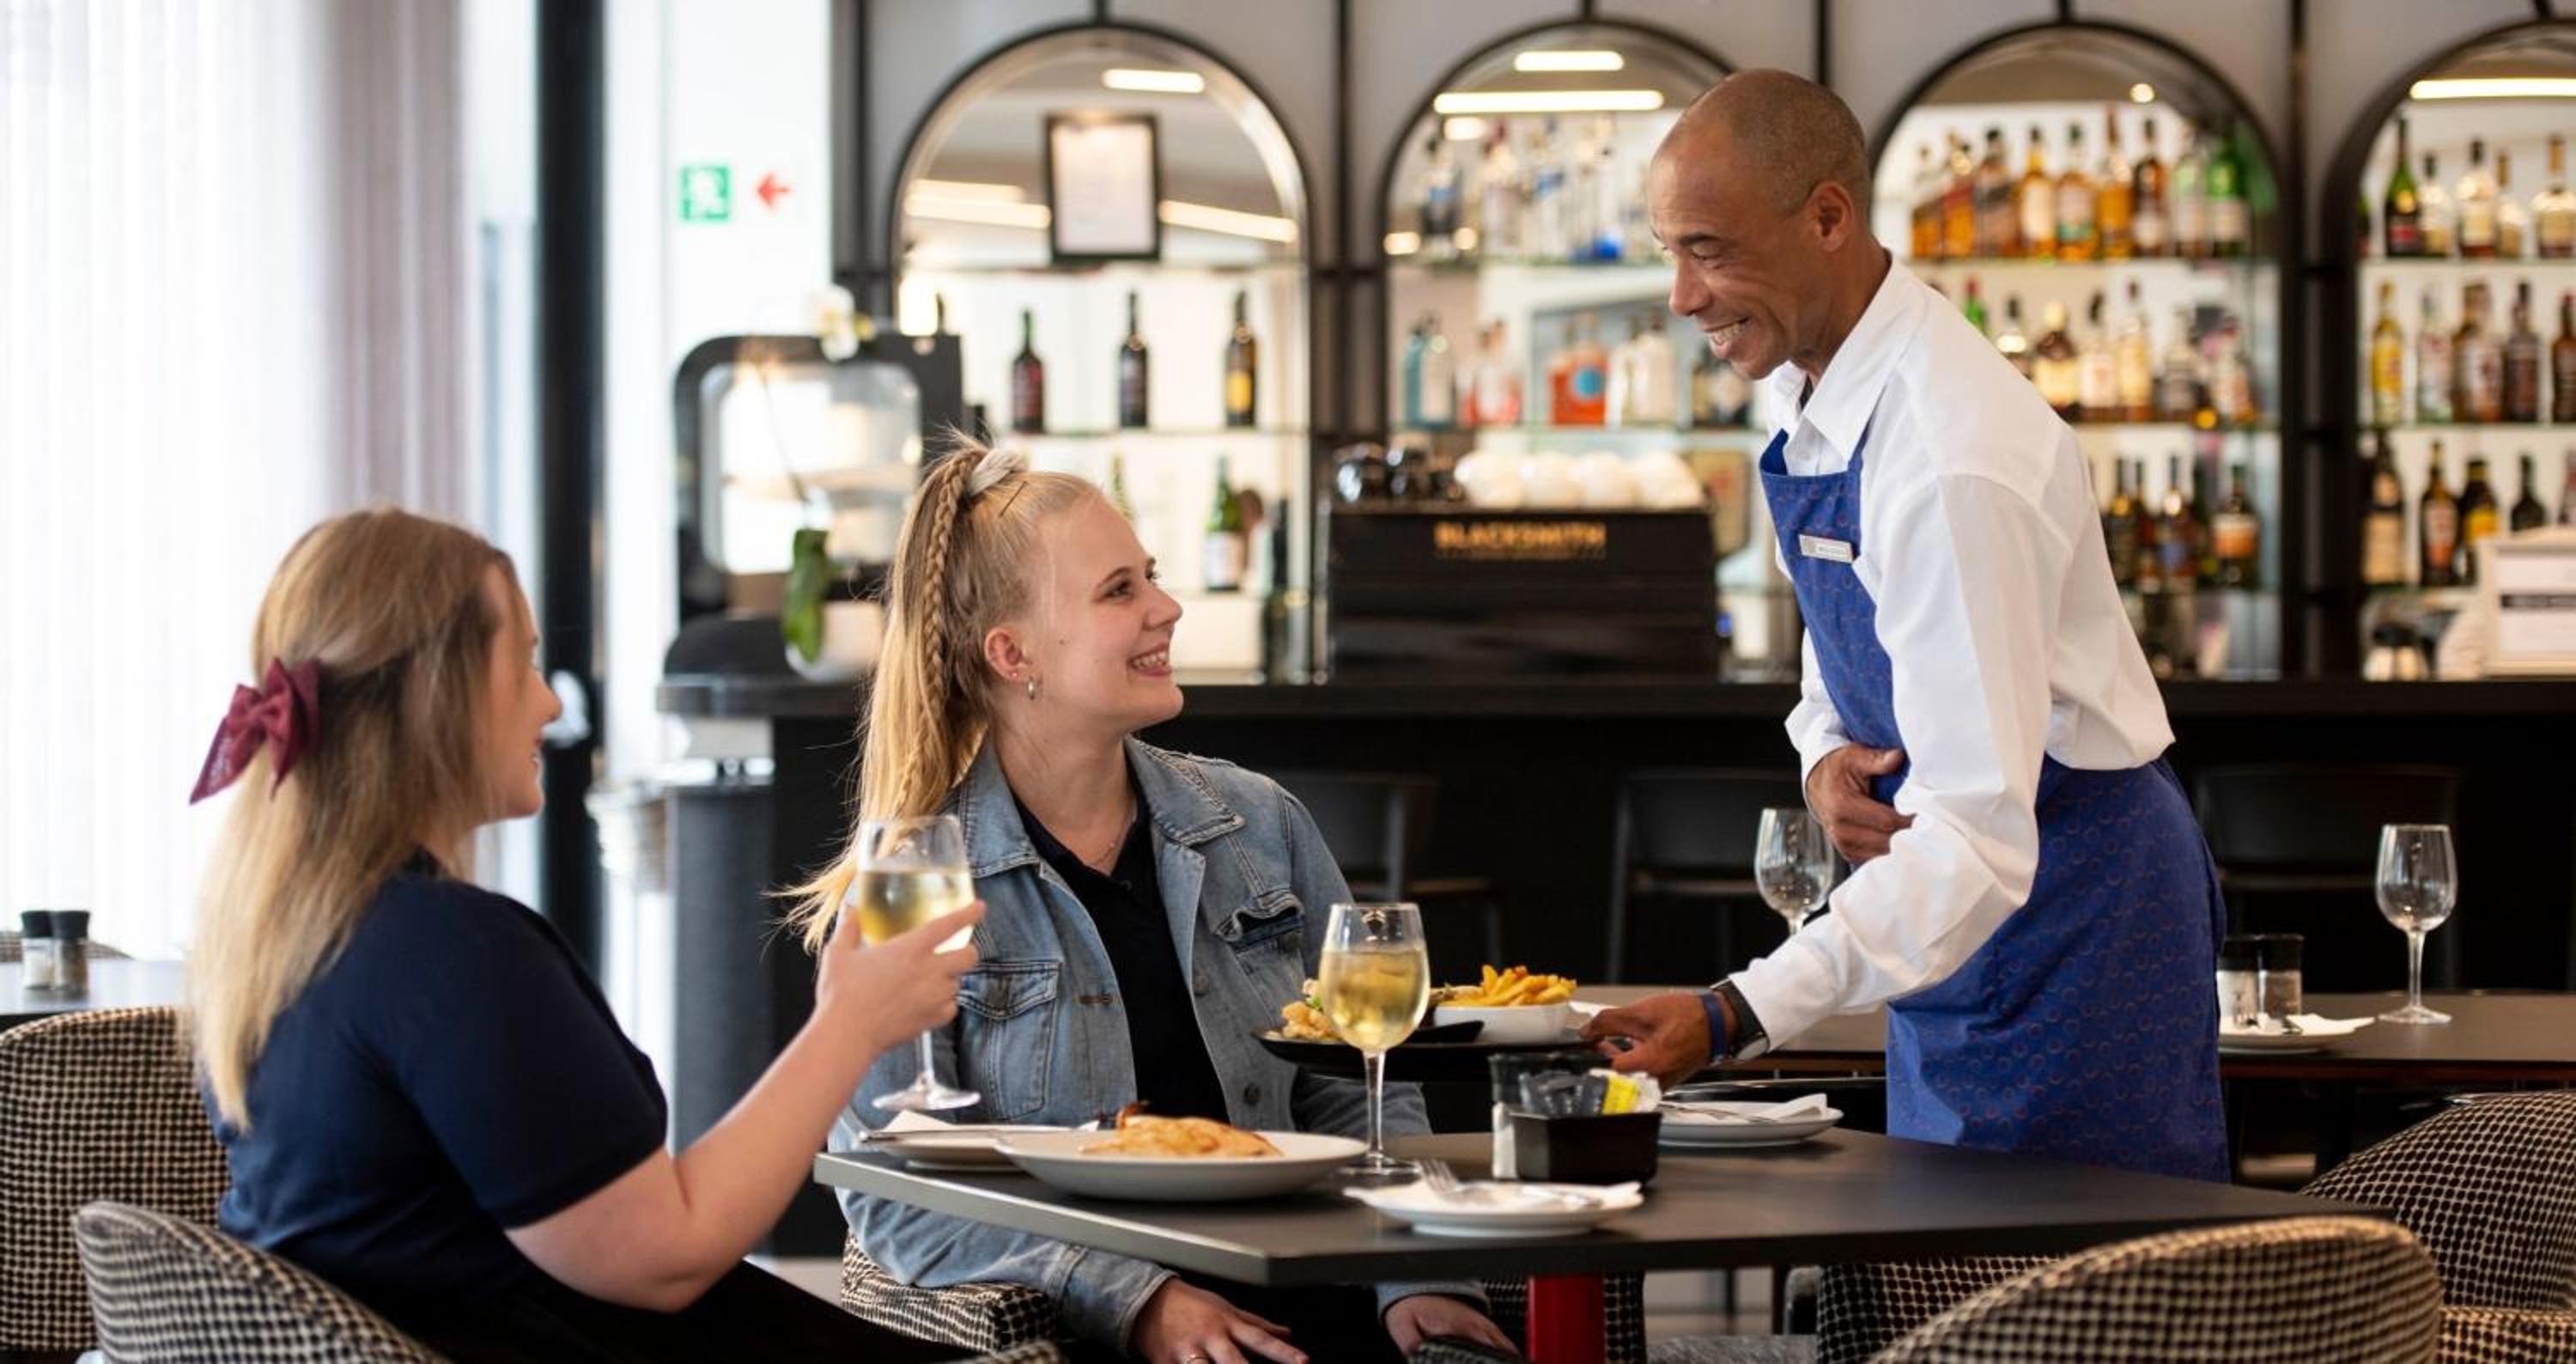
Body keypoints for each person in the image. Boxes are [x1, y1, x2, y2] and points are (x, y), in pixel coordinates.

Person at [1583, 71, 2227, 1181]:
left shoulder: (1948, 456)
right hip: (1950, 909)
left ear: (1829, 217)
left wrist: (1734, 1013)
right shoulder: (1810, 379)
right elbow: (1836, 635)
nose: (1682, 296)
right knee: (1940, 1246)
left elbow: (1976, 836)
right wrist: (1825, 748)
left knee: (2068, 1268)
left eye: (1710, 251)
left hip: (2073, 916)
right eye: (1668, 252)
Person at [189, 508, 986, 1361]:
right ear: (439, 693)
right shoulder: (450, 955)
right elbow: (668, 1257)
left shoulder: (289, 943)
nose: (549, 701)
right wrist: (849, 1024)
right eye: (524, 664)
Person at [793, 444, 1517, 1364]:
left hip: (1322, 1307)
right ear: (1013, 654)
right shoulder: (916, 885)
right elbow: (897, 1202)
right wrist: (1139, 1302)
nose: (1166, 608)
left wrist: (1416, 1281)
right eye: (1119, 591)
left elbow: (1363, 1092)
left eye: (1154, 576)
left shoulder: (1259, 823)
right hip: (1096, 1336)